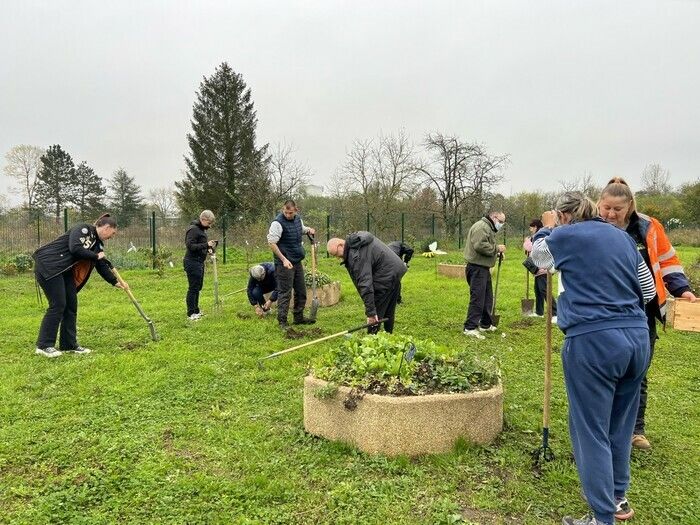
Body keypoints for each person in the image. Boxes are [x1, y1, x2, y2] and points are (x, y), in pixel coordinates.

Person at [531, 192, 656, 525]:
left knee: (591, 429)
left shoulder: (564, 234)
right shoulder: (624, 239)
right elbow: (648, 291)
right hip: (637, 339)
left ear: (565, 215)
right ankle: (617, 498)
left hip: (594, 342)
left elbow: (538, 261)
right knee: (621, 424)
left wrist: (546, 230)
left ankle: (602, 517)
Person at [598, 177, 697, 451]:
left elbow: (667, 262)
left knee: (637, 372)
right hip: (605, 311)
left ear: (629, 206)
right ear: (598, 204)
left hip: (642, 312)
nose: (610, 214)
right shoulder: (591, 227)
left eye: (617, 209)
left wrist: (683, 290)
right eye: (606, 207)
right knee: (606, 370)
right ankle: (604, 426)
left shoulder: (649, 228)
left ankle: (634, 430)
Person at [32, 213, 127, 357]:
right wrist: (96, 256)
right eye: (112, 233)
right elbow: (75, 248)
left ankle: (68, 345)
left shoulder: (98, 244)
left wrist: (115, 282)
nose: (111, 237)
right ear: (106, 227)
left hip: (65, 270)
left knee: (71, 305)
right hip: (49, 265)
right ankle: (44, 346)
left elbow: (101, 265)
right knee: (58, 305)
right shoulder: (83, 229)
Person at [327, 232, 407, 333]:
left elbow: (365, 283)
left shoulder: (356, 254)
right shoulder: (358, 241)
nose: (337, 258)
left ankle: (370, 343)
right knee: (388, 309)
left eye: (336, 254)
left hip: (386, 276)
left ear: (341, 245)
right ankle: (389, 335)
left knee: (375, 314)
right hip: (395, 271)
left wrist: (371, 313)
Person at [267, 200, 316, 330]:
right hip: (284, 263)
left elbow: (300, 229)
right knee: (285, 293)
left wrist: (308, 230)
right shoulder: (277, 223)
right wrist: (283, 259)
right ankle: (282, 321)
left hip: (296, 260)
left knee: (301, 291)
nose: (288, 215)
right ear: (283, 210)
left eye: (290, 213)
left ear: (296, 210)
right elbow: (272, 243)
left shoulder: (297, 220)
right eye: (285, 212)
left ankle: (298, 317)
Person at [462, 211, 507, 339]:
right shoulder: (481, 227)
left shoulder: (488, 227)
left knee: (487, 297)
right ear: (494, 217)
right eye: (501, 221)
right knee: (478, 298)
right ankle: (470, 327)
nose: (501, 225)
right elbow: (480, 246)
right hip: (476, 268)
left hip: (483, 268)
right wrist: (497, 249)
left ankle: (485, 324)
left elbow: (487, 246)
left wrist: (496, 254)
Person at [184, 210, 217, 321]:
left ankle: (196, 310)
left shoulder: (201, 230)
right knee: (193, 288)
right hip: (192, 262)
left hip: (199, 262)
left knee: (198, 287)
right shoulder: (193, 230)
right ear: (203, 219)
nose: (210, 226)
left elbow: (200, 246)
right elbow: (190, 246)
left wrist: (209, 249)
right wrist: (206, 244)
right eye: (209, 223)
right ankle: (190, 313)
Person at [523, 218, 557, 320]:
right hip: (538, 270)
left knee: (545, 290)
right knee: (538, 290)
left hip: (543, 268)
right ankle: (539, 312)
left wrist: (526, 241)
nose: (530, 230)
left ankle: (555, 313)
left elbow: (530, 248)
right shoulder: (537, 236)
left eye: (531, 227)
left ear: (536, 227)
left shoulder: (539, 236)